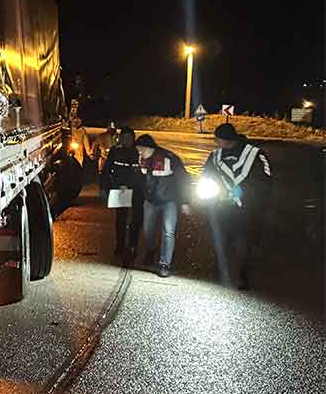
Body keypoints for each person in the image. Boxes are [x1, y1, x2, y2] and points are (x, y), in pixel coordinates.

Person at [200, 123, 272, 289]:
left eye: (217, 139)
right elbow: (206, 175)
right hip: (221, 207)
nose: (215, 142)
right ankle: (219, 273)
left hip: (247, 209)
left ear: (225, 139)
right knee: (221, 240)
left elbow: (265, 183)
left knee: (244, 243)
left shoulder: (255, 154)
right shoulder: (215, 156)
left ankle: (243, 275)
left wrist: (250, 197)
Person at [134, 134, 187, 278]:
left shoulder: (169, 158)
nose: (139, 152)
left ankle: (164, 264)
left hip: (169, 200)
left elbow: (183, 179)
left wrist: (185, 202)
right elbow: (140, 179)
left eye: (140, 149)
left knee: (168, 231)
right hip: (150, 201)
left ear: (149, 147)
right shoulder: (142, 159)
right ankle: (151, 250)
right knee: (148, 230)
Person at [99, 127, 144, 265]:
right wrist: (104, 188)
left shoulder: (139, 152)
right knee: (121, 219)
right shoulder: (115, 151)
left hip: (137, 191)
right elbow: (106, 171)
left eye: (129, 138)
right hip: (120, 189)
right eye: (123, 138)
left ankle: (133, 246)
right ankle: (120, 245)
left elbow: (145, 173)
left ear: (133, 139)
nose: (126, 141)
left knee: (136, 220)